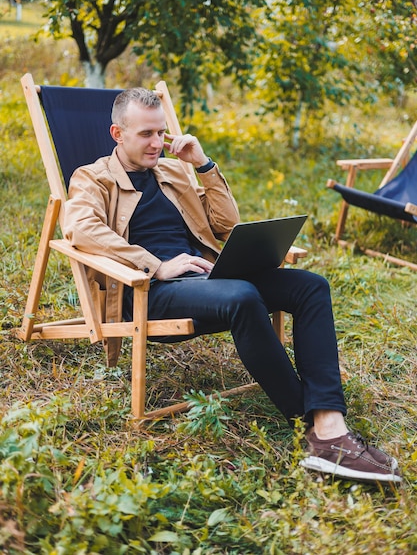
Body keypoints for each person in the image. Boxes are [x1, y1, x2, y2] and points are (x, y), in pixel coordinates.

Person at [64, 86, 401, 484]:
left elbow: (224, 225)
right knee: (243, 294)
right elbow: (80, 229)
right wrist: (156, 266)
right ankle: (313, 428)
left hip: (205, 280)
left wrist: (203, 165)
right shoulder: (92, 178)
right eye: (146, 134)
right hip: (150, 292)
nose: (157, 143)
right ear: (118, 134)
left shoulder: (173, 171)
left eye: (161, 133)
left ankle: (329, 423)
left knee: (311, 286)